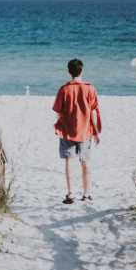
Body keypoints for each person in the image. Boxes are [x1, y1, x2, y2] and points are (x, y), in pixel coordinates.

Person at [52, 58, 101, 204]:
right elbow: (93, 112)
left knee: (69, 161)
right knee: (85, 161)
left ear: (69, 72)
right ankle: (86, 194)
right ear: (82, 70)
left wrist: (60, 124)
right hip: (86, 130)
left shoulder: (64, 89)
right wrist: (96, 132)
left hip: (67, 130)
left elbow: (58, 111)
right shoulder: (90, 88)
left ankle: (70, 193)